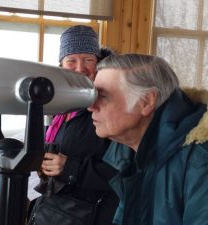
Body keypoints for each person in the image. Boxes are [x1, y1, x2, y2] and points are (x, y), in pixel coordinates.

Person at [88, 53, 208, 225]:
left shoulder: (200, 162)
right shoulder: (133, 153)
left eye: (103, 96)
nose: (91, 106)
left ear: (145, 102)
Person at [28, 25, 119, 225]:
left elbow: (122, 174)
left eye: (88, 60)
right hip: (54, 211)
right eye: (71, 61)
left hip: (91, 215)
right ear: (61, 66)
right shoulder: (60, 108)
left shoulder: (110, 107)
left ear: (99, 63)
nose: (80, 68)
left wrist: (70, 167)